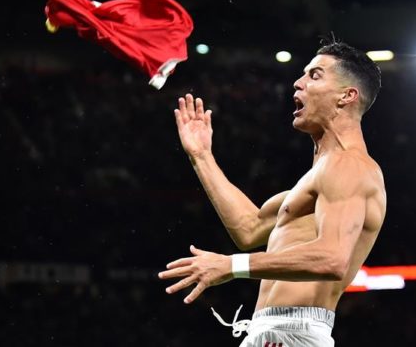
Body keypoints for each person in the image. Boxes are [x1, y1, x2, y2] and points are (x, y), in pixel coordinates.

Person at [158, 42, 386, 347]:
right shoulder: (315, 180)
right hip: (272, 331)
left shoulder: (349, 166)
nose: (298, 82)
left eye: (315, 76)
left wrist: (231, 266)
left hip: (294, 332)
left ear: (347, 96)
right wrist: (201, 156)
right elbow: (249, 228)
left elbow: (333, 258)